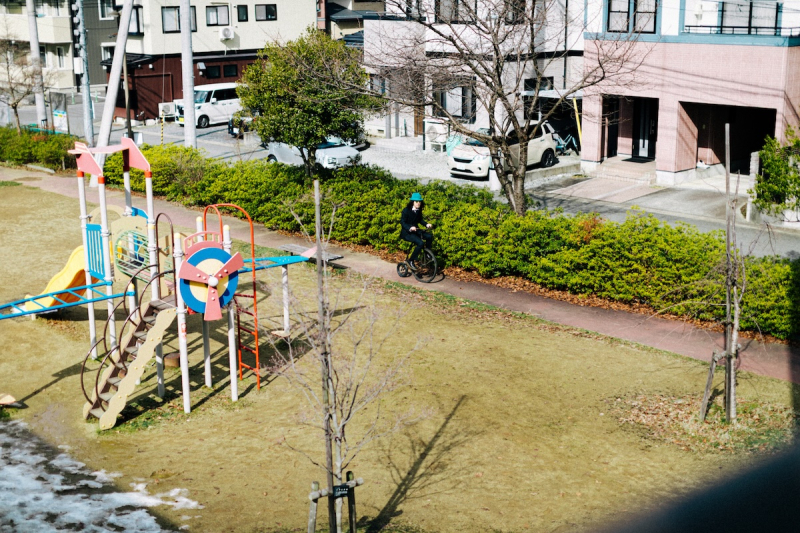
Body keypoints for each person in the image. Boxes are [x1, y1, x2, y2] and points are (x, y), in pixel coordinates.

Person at [400, 192, 432, 269]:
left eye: (419, 202)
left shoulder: (418, 210)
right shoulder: (406, 210)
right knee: (420, 243)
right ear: (412, 202)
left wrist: (426, 224)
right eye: (416, 202)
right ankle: (411, 260)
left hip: (416, 231)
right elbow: (402, 222)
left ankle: (427, 254)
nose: (418, 203)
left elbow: (420, 220)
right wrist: (410, 228)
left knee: (429, 236)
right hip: (407, 233)